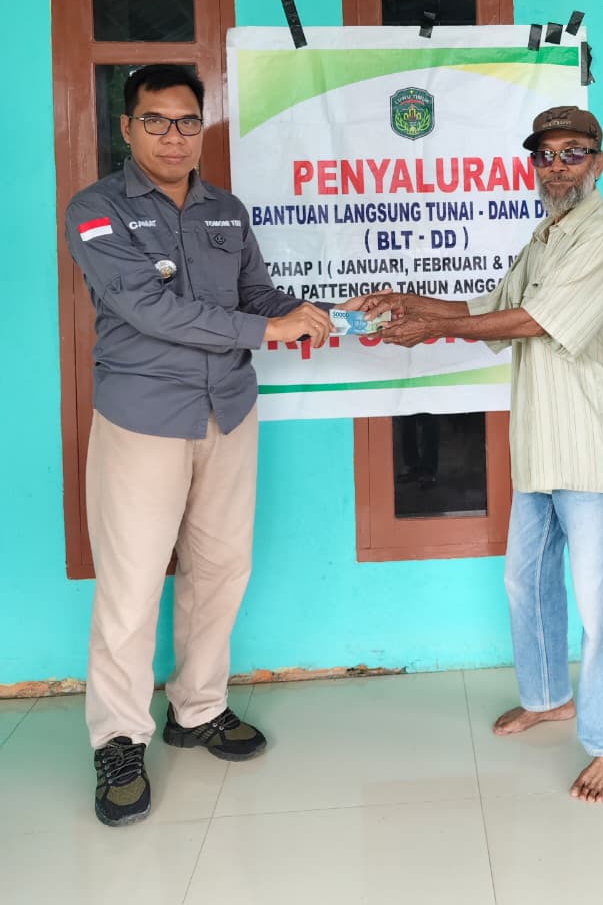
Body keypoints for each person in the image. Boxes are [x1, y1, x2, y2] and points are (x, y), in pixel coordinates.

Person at [66, 63, 334, 827]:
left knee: (220, 571)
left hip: (229, 414)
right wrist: (270, 328)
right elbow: (149, 308)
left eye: (188, 122)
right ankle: (118, 740)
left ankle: (199, 707)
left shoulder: (226, 211)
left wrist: (315, 312)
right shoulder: (96, 210)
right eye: (155, 121)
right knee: (131, 587)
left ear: (202, 128)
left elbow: (256, 295)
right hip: (144, 420)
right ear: (127, 127)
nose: (173, 137)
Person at [365, 106, 603, 803]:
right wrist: (412, 303)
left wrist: (431, 330)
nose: (557, 167)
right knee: (526, 581)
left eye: (572, 153)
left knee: (602, 606)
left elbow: (535, 322)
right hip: (540, 448)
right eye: (545, 155)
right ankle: (549, 696)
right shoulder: (544, 237)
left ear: (598, 162)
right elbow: (489, 308)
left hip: (589, 447)